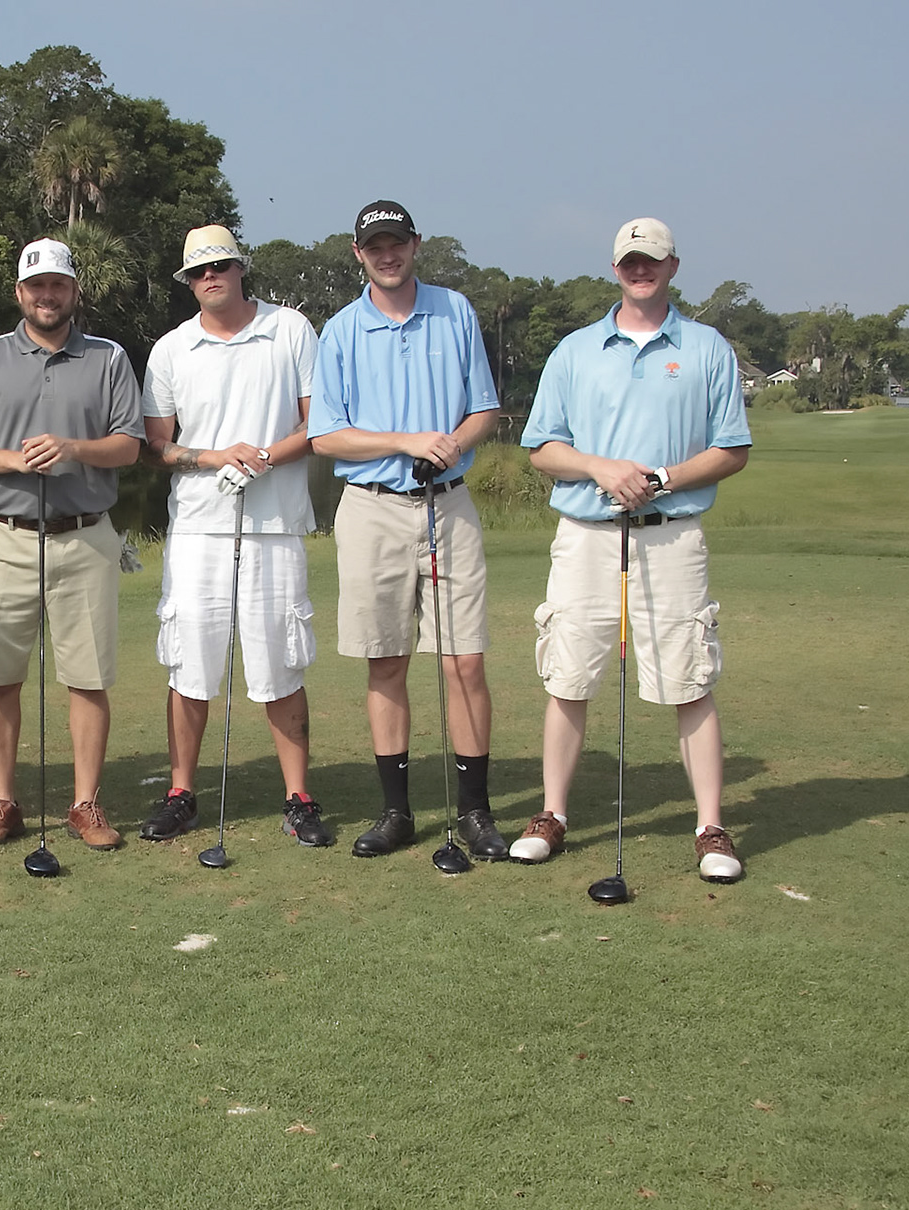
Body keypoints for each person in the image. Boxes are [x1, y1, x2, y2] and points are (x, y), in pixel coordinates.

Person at [510, 218, 750, 883]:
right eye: (629, 262)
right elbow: (542, 448)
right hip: (586, 536)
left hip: (671, 535)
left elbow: (731, 449)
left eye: (652, 260)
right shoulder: (576, 350)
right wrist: (601, 467)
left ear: (673, 265)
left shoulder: (706, 348)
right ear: (615, 269)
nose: (640, 270)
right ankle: (552, 815)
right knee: (568, 678)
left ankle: (710, 827)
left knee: (690, 681)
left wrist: (662, 478)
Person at [309, 201, 508, 861]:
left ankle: (475, 811)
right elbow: (327, 437)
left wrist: (452, 444)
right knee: (386, 659)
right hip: (371, 509)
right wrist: (406, 441)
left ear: (415, 244)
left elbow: (484, 409)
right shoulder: (341, 330)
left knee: (464, 660)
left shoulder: (455, 311)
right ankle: (396, 812)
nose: (387, 255)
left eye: (396, 243)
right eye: (375, 247)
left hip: (447, 504)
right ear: (358, 254)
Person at [0, 237, 143, 851]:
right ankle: (3, 802)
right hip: (4, 537)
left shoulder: (109, 357)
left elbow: (129, 445)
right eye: (37, 286)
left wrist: (73, 448)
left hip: (85, 537)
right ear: (19, 293)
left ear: (73, 290)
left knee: (88, 677)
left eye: (58, 284)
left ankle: (85, 804)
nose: (47, 295)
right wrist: (14, 460)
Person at [140, 225, 332, 848]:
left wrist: (265, 457)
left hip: (275, 525)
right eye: (198, 271)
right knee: (189, 663)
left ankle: (299, 796)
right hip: (198, 527)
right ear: (188, 281)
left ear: (240, 268)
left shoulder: (290, 329)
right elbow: (156, 445)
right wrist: (213, 456)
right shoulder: (171, 348)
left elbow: (319, 425)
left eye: (220, 265)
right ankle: (180, 793)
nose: (210, 277)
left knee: (281, 661)